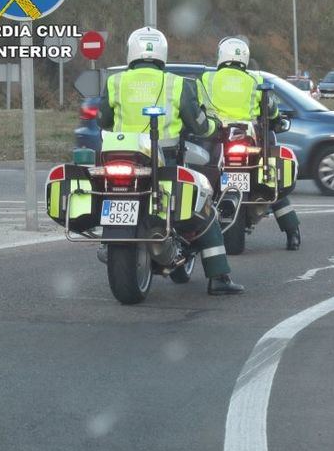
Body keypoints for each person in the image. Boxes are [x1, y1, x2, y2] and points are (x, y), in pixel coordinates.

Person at [98, 27, 244, 295]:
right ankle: (219, 278)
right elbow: (199, 126)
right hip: (165, 163)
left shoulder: (114, 81)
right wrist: (215, 128)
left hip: (119, 158)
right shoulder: (177, 84)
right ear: (162, 54)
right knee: (205, 211)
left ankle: (111, 241)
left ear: (131, 52)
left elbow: (103, 120)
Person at [199, 36, 301, 250]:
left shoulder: (206, 79)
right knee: (272, 185)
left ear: (221, 56)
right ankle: (293, 233)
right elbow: (271, 110)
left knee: (205, 183)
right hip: (250, 141)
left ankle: (203, 231)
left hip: (217, 140)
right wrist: (276, 120)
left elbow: (196, 110)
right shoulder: (255, 80)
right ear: (245, 58)